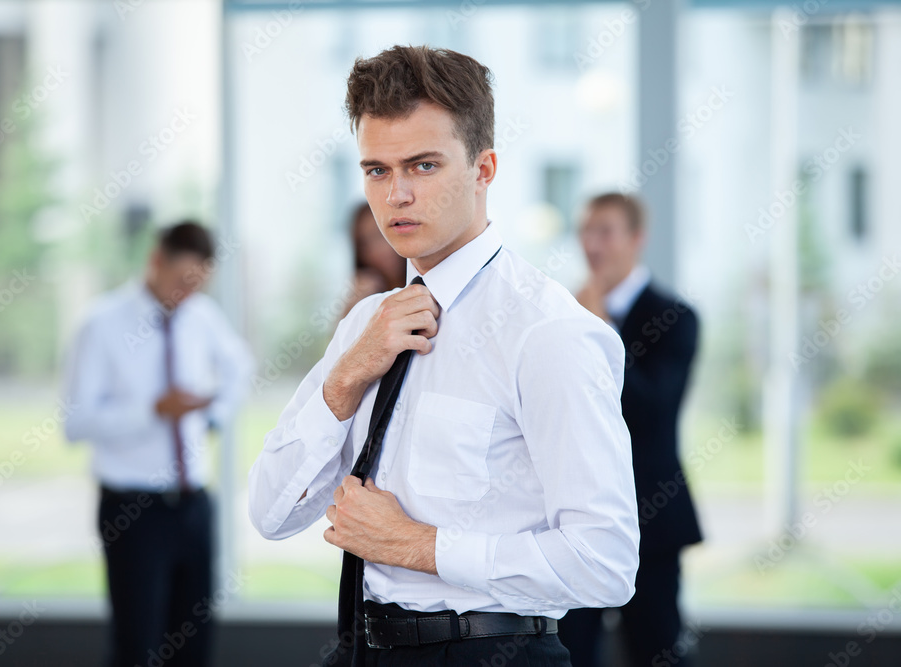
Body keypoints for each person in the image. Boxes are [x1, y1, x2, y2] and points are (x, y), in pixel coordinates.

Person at [248, 45, 639, 667]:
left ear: (484, 168)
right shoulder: (363, 326)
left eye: (423, 166)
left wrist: (417, 546)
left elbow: (605, 563)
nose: (397, 195)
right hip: (364, 649)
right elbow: (271, 514)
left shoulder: (548, 333)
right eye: (377, 170)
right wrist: (348, 374)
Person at [63, 221, 254, 667]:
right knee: (137, 646)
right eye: (182, 281)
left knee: (195, 647)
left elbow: (240, 369)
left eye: (199, 284)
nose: (188, 294)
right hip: (133, 512)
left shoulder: (201, 316)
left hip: (193, 507)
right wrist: (153, 411)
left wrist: (211, 415)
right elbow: (75, 423)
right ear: (155, 260)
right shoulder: (101, 324)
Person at [558, 193, 702, 667]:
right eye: (586, 231)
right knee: (570, 650)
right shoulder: (563, 313)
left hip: (652, 516)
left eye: (606, 231)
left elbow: (651, 408)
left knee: (657, 647)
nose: (592, 244)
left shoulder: (676, 317)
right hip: (576, 515)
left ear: (637, 239)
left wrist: (599, 328)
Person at [340, 201, 407, 319]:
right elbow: (341, 336)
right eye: (364, 244)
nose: (375, 249)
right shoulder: (365, 294)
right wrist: (353, 307)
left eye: (379, 235)